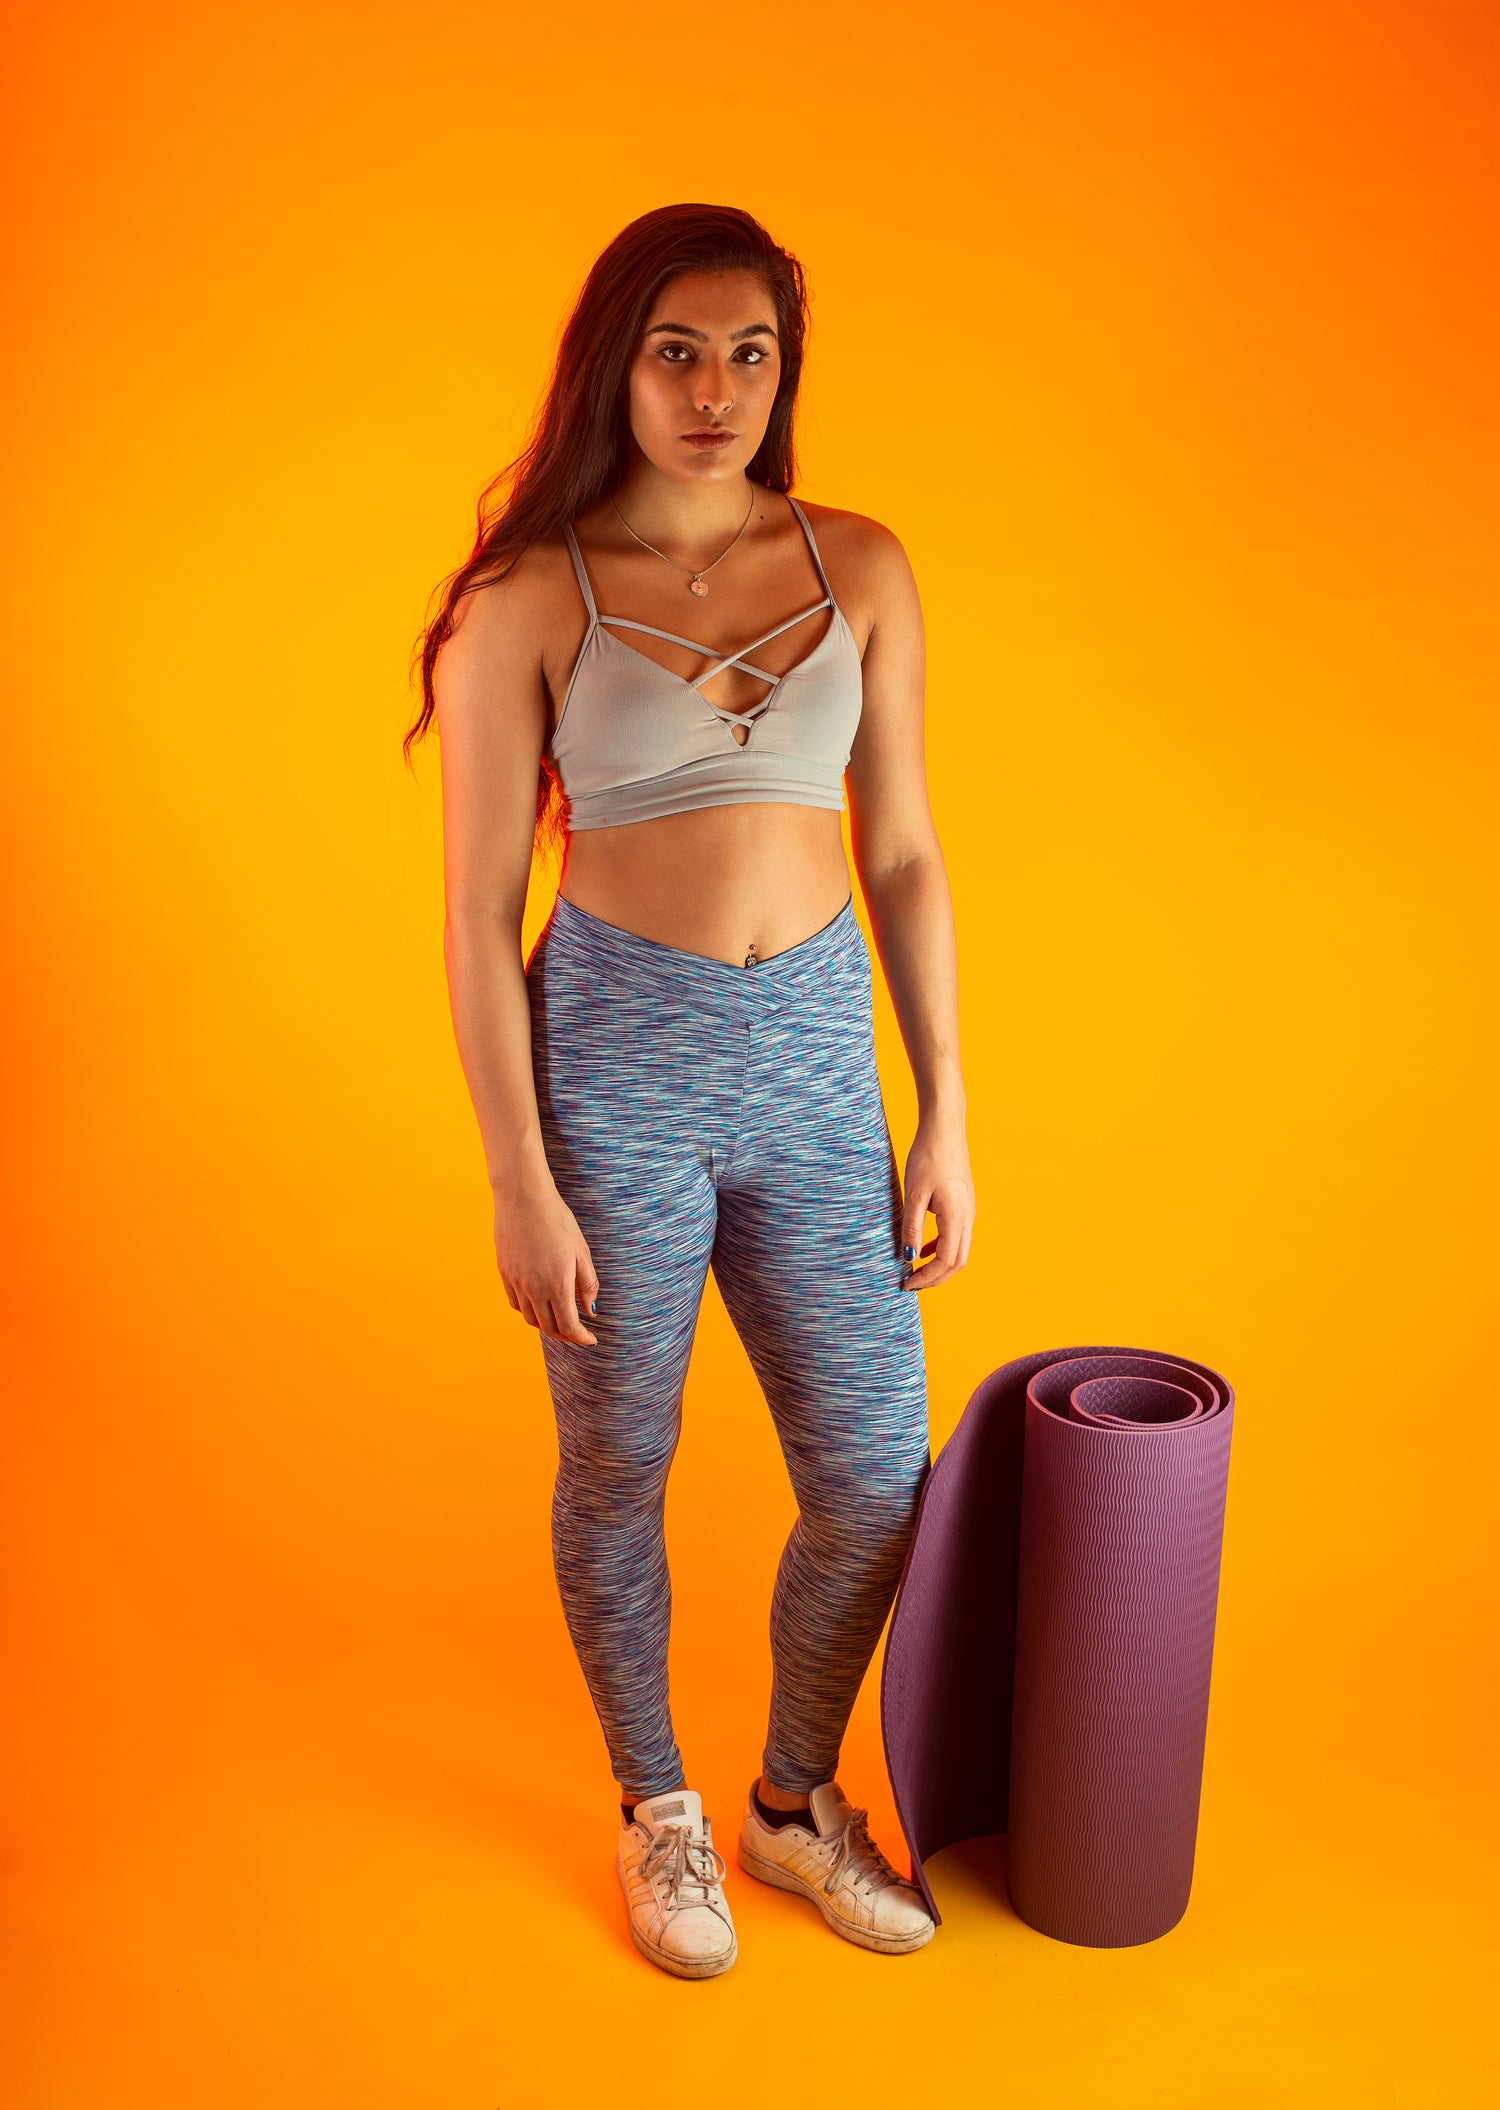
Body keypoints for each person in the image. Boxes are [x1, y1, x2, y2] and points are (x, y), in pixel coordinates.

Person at [405, 203, 976, 1979]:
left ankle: (790, 1806)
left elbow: (903, 851)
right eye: (677, 352)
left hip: (815, 1055)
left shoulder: (863, 562)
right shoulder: (524, 595)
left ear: (783, 374)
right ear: (614, 365)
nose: (715, 389)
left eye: (750, 354)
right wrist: (520, 1171)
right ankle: (658, 1812)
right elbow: (477, 906)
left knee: (878, 1469)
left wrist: (944, 1097)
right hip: (614, 1063)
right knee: (619, 1465)